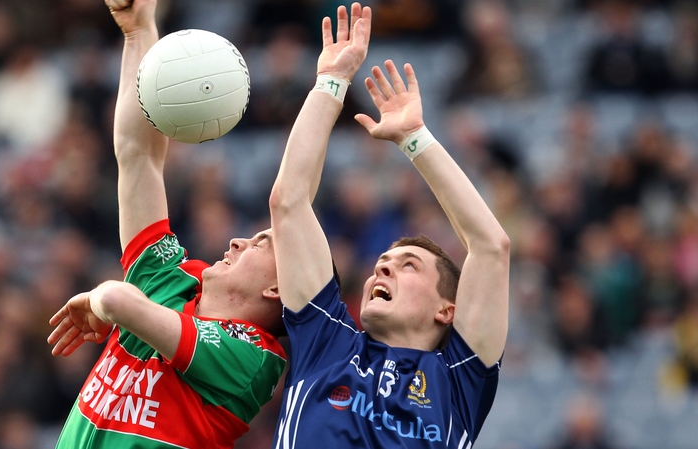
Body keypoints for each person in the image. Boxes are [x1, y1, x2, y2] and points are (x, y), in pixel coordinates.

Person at [45, 0, 287, 447]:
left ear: (278, 289)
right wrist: (139, 32)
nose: (237, 241)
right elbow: (137, 156)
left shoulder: (253, 358)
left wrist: (103, 300)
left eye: (260, 244)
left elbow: (119, 301)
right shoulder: (175, 281)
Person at [268, 4, 510, 448]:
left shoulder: (459, 381)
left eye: (408, 266)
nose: (382, 269)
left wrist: (414, 138)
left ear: (446, 311)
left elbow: (491, 246)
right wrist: (331, 83)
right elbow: (289, 203)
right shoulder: (327, 342)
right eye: (383, 261)